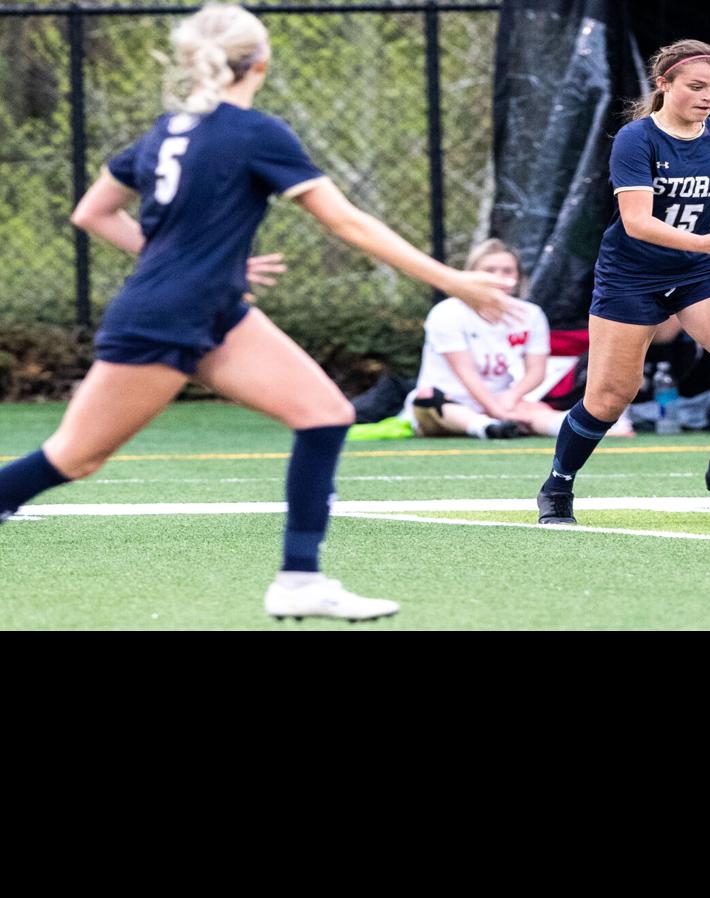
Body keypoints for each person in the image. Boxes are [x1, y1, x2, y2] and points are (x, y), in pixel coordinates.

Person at [0, 4, 512, 621]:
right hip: (165, 315)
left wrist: (198, 263)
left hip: (209, 305)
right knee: (74, 457)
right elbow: (346, 223)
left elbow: (94, 212)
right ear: (260, 63)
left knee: (325, 415)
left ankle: (299, 580)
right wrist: (453, 279)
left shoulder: (168, 130)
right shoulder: (256, 132)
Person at [534, 39, 710, 525]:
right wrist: (703, 243)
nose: (708, 96)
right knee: (610, 397)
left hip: (699, 274)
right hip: (633, 277)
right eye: (695, 86)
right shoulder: (638, 139)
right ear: (664, 84)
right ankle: (557, 487)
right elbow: (636, 222)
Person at [404, 238, 590, 440]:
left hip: (502, 402)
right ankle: (486, 427)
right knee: (426, 398)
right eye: (489, 271)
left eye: (507, 271)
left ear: (518, 277)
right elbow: (466, 373)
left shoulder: (531, 314)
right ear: (472, 274)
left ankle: (576, 429)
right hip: (451, 405)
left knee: (538, 411)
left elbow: (536, 370)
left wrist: (510, 398)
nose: (498, 278)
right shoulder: (447, 312)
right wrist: (495, 411)